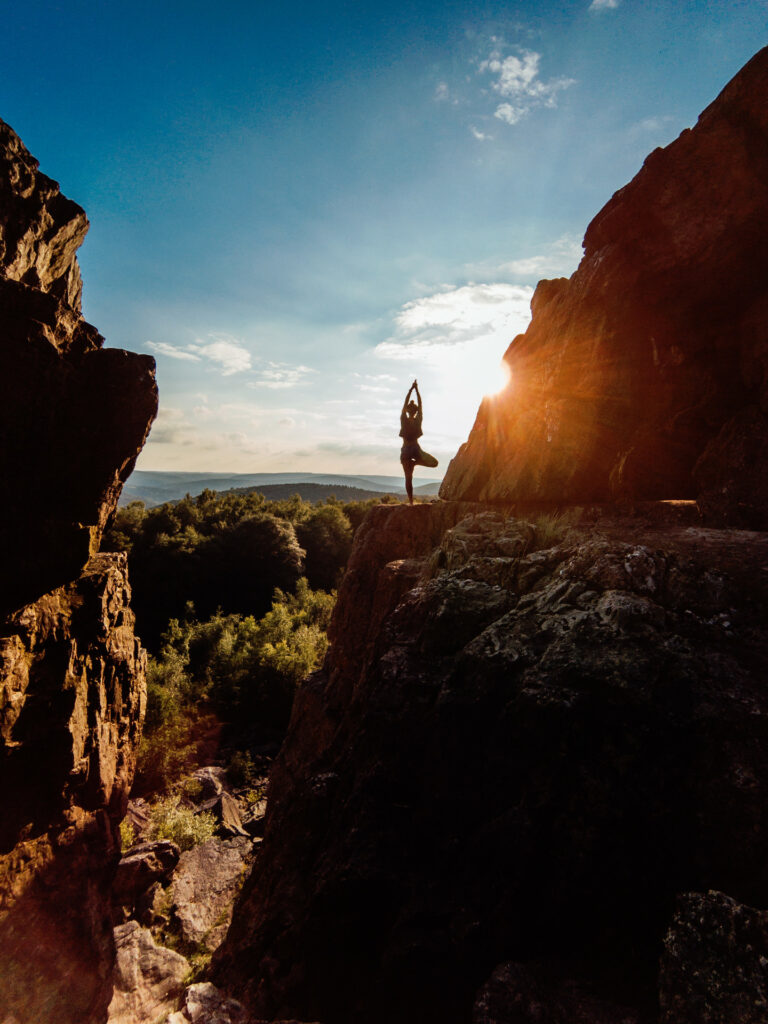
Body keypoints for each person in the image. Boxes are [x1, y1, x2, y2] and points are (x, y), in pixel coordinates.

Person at [399, 379, 438, 505]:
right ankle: (416, 463)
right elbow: (420, 404)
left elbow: (405, 404)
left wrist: (411, 389)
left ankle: (411, 502)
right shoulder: (418, 419)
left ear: (407, 410)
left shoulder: (403, 419)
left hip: (406, 450)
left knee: (408, 478)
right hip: (416, 449)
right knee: (434, 463)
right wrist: (416, 390)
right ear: (415, 411)